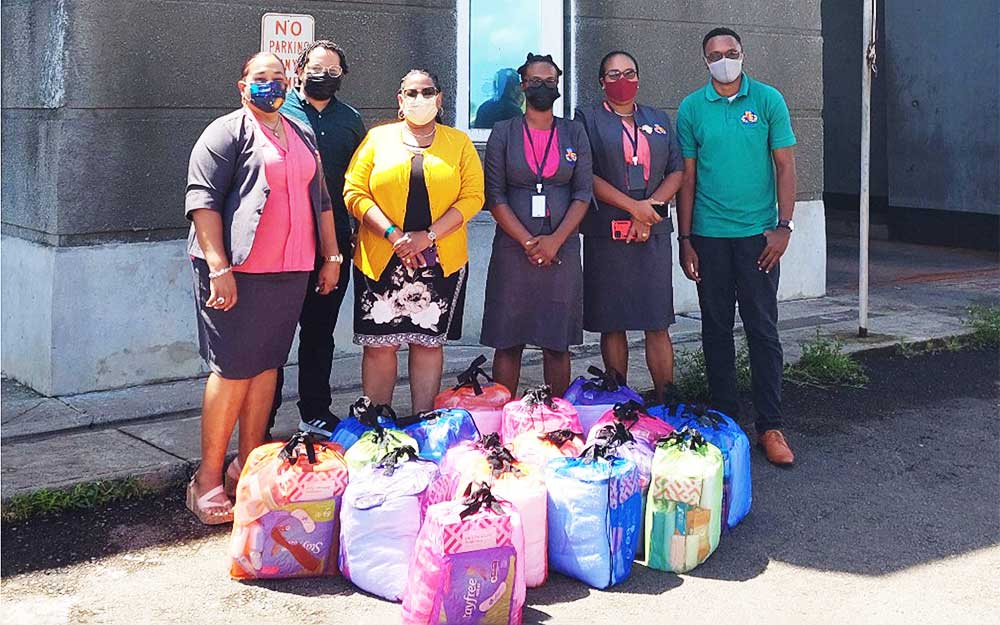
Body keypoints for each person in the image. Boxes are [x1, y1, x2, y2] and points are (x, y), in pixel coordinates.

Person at [184, 52, 342, 523]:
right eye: (260, 78)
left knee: (268, 367)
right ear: (242, 85)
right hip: (237, 270)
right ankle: (207, 479)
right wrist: (218, 266)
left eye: (277, 78)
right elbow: (202, 201)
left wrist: (330, 256)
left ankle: (247, 466)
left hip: (290, 269)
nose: (269, 85)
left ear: (290, 83)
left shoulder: (299, 132)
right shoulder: (226, 131)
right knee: (233, 369)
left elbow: (322, 198)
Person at [676, 27, 798, 465]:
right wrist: (685, 238)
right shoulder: (691, 108)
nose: (724, 59)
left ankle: (771, 426)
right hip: (709, 237)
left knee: (762, 330)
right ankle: (727, 422)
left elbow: (785, 166)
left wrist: (784, 227)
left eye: (731, 52)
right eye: (715, 54)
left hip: (758, 238)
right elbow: (686, 179)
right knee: (715, 329)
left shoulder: (768, 100)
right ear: (704, 61)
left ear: (743, 55)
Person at [343, 69, 485, 413]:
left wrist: (428, 236)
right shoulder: (378, 139)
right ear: (400, 100)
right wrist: (393, 235)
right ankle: (378, 423)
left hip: (439, 257)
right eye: (411, 92)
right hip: (382, 256)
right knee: (379, 346)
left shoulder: (459, 142)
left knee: (427, 343)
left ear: (439, 99)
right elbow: (354, 191)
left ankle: (423, 420)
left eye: (427, 92)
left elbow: (473, 197)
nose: (418, 99)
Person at [480, 53, 594, 397]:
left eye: (549, 81)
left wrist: (555, 241)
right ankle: (502, 418)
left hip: (562, 248)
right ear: (522, 86)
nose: (542, 86)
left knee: (556, 340)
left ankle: (558, 418)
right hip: (513, 249)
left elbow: (583, 192)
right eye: (534, 81)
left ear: (558, 86)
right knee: (508, 338)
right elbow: (495, 195)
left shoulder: (574, 131)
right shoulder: (504, 131)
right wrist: (529, 242)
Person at [269, 40, 366, 439]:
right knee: (273, 334)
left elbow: (359, 182)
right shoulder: (279, 112)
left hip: (334, 245)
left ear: (342, 76)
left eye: (332, 71)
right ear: (299, 68)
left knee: (319, 330)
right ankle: (263, 416)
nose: (322, 77)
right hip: (283, 240)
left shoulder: (351, 121)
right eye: (315, 68)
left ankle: (315, 410)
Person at [574, 50, 684, 403]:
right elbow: (586, 174)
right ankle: (617, 395)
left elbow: (677, 170)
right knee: (613, 319)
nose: (623, 81)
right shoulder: (586, 119)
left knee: (656, 319)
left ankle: (667, 400)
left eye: (629, 73)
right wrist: (632, 207)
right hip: (607, 232)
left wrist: (650, 208)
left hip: (652, 229)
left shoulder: (658, 119)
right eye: (613, 74)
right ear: (601, 81)